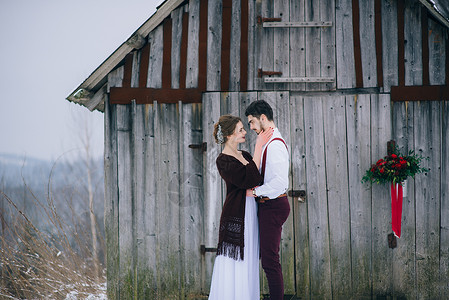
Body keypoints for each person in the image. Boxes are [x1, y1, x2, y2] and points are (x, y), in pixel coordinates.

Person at [208, 114, 273, 300]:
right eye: (240, 130)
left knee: (249, 257)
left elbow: (257, 179)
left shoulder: (244, 154)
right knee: (235, 260)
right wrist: (259, 146)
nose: (245, 132)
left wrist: (254, 163)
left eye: (244, 129)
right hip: (237, 214)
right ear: (229, 135)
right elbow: (249, 179)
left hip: (251, 212)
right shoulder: (223, 161)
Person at [245, 100, 290, 300]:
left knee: (270, 261)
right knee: (267, 258)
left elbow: (279, 183)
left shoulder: (274, 146)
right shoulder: (268, 143)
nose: (252, 127)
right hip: (268, 205)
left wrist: (255, 192)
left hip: (273, 204)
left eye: (253, 122)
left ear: (263, 118)